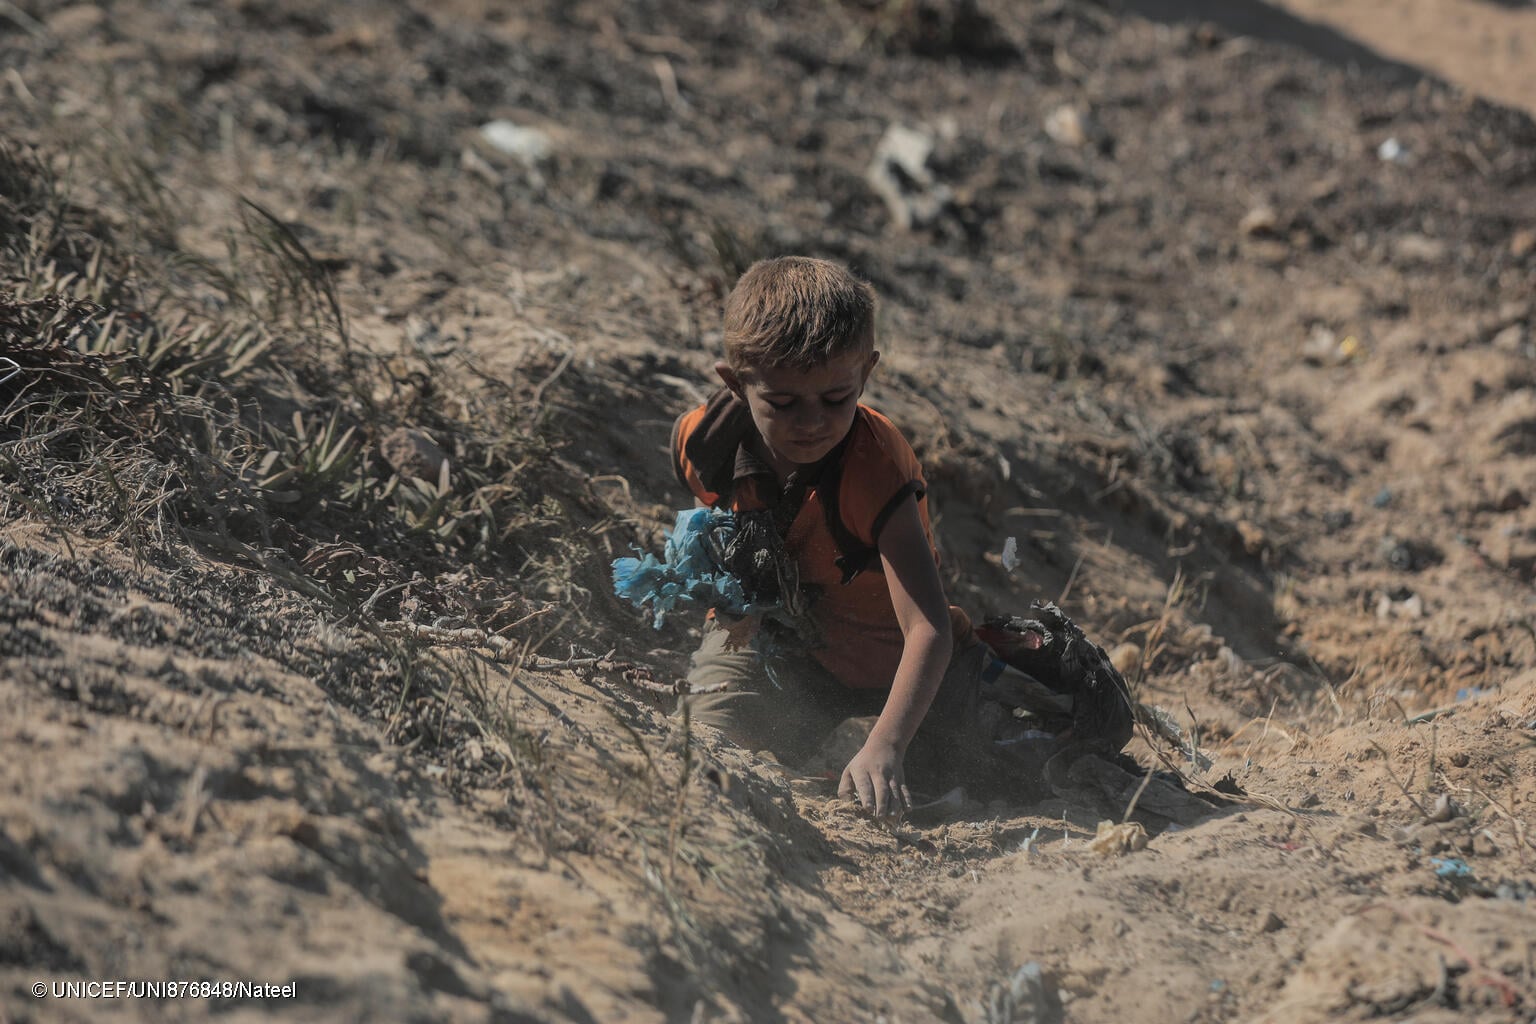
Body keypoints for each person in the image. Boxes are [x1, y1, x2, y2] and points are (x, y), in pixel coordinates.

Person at [669, 256, 993, 819]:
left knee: (994, 771)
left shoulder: (875, 466)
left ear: (866, 373)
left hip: (899, 664)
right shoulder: (707, 442)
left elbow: (928, 628)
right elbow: (701, 507)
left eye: (836, 399)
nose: (812, 422)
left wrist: (887, 744)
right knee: (696, 750)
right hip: (786, 653)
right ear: (735, 383)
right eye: (783, 403)